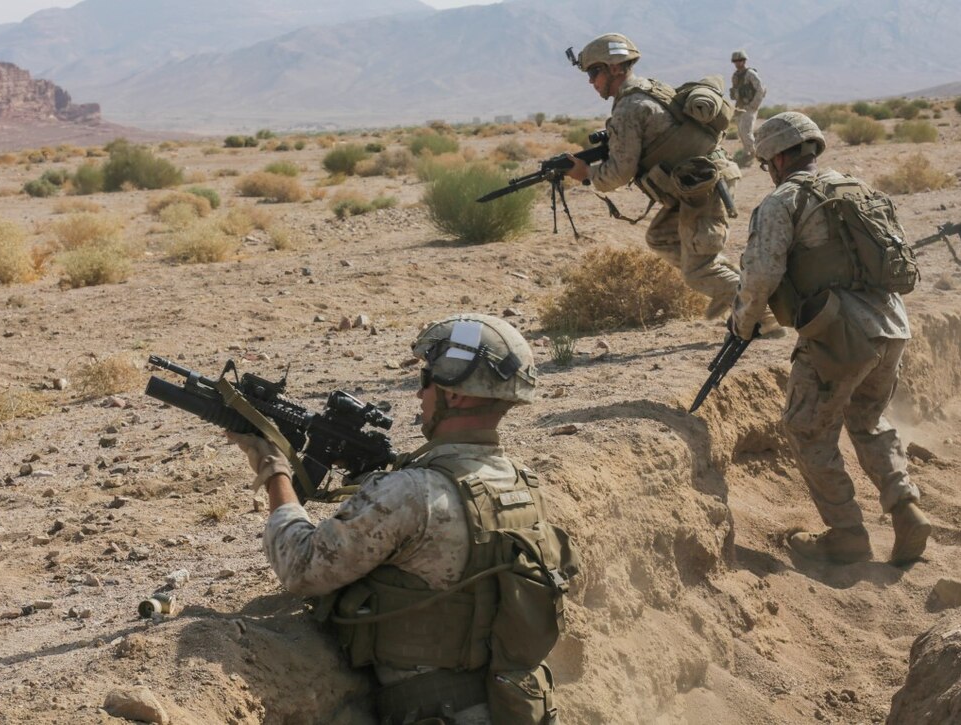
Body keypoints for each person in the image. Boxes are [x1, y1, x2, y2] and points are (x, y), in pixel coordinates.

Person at [228, 313, 578, 724]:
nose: (419, 395)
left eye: (427, 381)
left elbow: (301, 565)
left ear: (458, 396)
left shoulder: (411, 494)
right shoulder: (524, 485)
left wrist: (275, 470)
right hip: (508, 707)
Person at [729, 111, 931, 566]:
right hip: (892, 324)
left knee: (806, 428)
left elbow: (760, 274)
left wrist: (742, 323)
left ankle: (846, 535)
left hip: (840, 334)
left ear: (778, 157)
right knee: (869, 421)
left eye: (766, 162)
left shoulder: (782, 202)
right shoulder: (859, 188)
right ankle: (906, 508)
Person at [565, 33, 764, 324]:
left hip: (703, 188)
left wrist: (586, 175)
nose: (591, 81)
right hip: (699, 183)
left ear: (615, 68)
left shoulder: (629, 108)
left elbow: (619, 173)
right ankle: (735, 289)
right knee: (661, 237)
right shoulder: (647, 90)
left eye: (595, 71)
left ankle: (761, 314)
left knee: (698, 270)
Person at [729, 50, 767, 164]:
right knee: (741, 132)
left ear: (744, 61)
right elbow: (736, 91)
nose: (738, 63)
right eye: (735, 61)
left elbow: (760, 89)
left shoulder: (750, 74)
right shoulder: (735, 75)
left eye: (740, 60)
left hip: (749, 106)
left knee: (746, 132)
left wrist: (754, 105)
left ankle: (755, 155)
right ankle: (747, 154)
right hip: (739, 106)